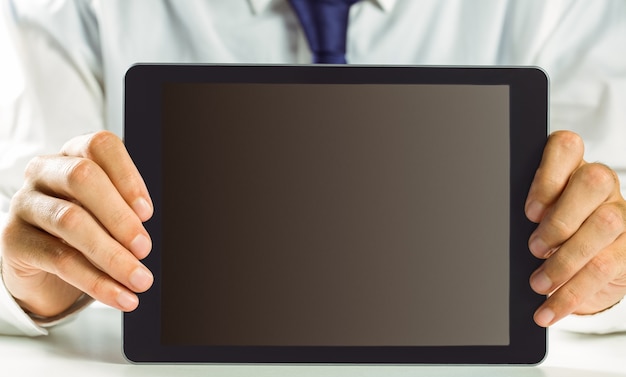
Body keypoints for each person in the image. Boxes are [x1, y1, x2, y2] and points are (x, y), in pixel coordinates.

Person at [1, 0, 625, 336]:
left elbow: (604, 209)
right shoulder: (61, 8)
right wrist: (29, 283)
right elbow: (21, 210)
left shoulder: (571, 8)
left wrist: (605, 277)